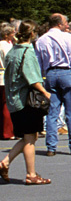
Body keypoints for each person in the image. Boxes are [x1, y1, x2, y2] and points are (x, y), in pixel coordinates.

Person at [1, 20, 52, 185]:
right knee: (30, 137)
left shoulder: (13, 51)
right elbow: (32, 78)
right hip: (26, 100)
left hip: (13, 99)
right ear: (32, 34)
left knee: (28, 136)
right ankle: (31, 174)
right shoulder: (27, 51)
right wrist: (45, 92)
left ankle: (6, 162)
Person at [35, 13, 71, 156]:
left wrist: (42, 77)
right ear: (59, 23)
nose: (67, 25)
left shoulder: (41, 40)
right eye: (65, 22)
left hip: (50, 74)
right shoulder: (67, 37)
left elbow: (39, 62)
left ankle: (51, 147)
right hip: (66, 72)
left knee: (52, 112)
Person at [0, 23, 15, 140]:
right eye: (12, 33)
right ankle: (7, 132)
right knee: (6, 105)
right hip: (4, 78)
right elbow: (8, 60)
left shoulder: (7, 44)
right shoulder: (4, 45)